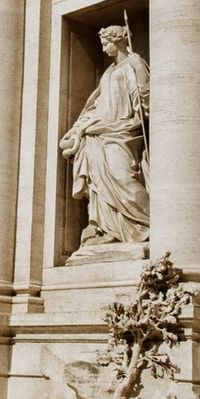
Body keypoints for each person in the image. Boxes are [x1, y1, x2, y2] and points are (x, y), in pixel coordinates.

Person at [60, 25, 150, 246]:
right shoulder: (109, 71)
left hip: (124, 130)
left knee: (123, 176)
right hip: (99, 131)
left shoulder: (135, 63)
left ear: (118, 40)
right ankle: (107, 228)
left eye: (106, 43)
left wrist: (141, 81)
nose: (103, 48)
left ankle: (148, 222)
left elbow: (146, 96)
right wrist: (77, 130)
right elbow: (96, 105)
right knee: (98, 182)